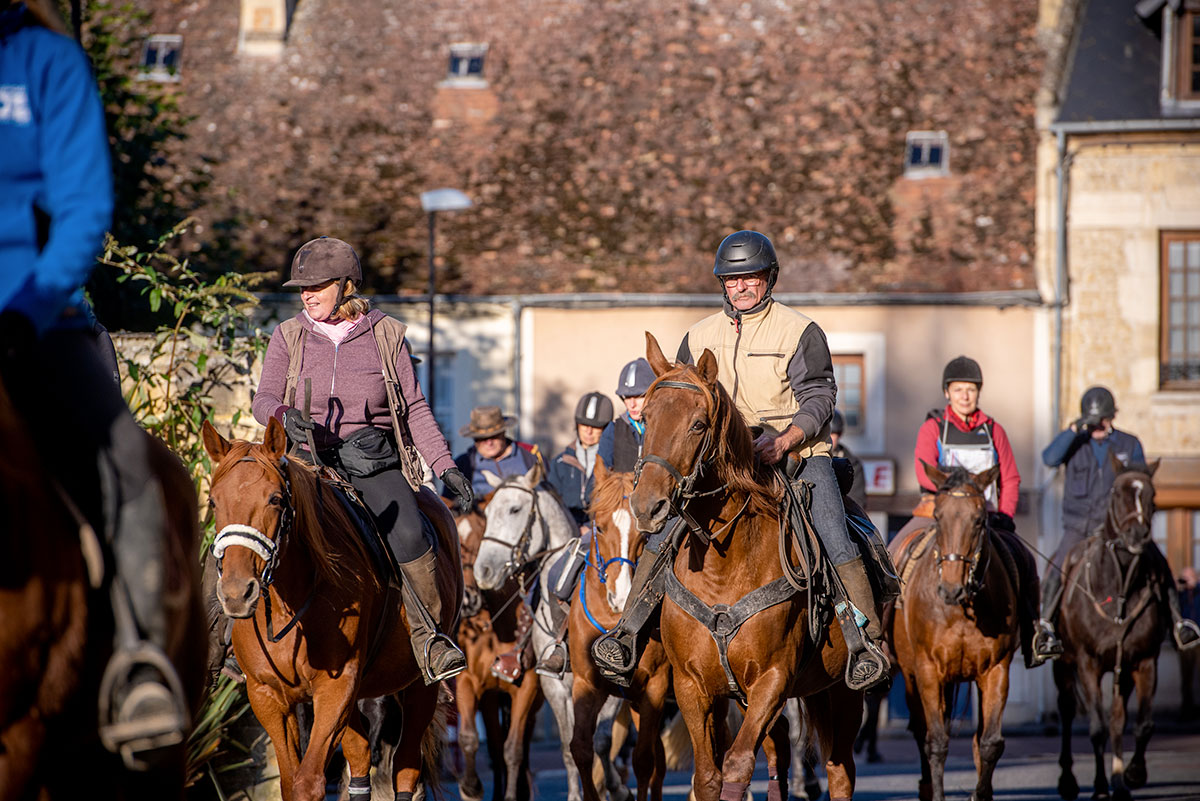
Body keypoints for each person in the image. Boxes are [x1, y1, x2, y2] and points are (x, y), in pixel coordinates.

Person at [0, 0, 190, 766]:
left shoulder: (47, 63)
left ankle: (138, 664)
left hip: (33, 317)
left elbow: (84, 210)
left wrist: (28, 310)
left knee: (132, 467)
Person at [591, 230, 890, 691]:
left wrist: (788, 438)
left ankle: (864, 640)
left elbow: (819, 394)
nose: (742, 287)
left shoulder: (799, 330)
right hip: (722, 460)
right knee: (664, 530)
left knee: (833, 529)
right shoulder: (699, 335)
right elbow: (683, 396)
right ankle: (628, 634)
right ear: (723, 285)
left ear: (769, 278)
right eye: (732, 280)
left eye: (751, 277)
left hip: (794, 453)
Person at [252, 236, 474, 684]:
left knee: (411, 533)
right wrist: (284, 415)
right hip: (304, 460)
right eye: (301, 288)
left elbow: (413, 407)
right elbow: (265, 398)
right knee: (250, 521)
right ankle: (231, 640)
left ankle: (429, 640)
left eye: (316, 286)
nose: (306, 295)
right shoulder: (289, 334)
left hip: (371, 459)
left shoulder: (387, 334)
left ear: (346, 285)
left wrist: (445, 465)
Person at [891, 356, 1054, 665]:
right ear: (947, 394)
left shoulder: (994, 431)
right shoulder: (933, 427)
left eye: (970, 390)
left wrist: (1005, 514)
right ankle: (881, 637)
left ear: (978, 394)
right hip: (934, 514)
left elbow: (1011, 477)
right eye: (958, 390)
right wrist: (958, 489)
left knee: (1025, 559)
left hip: (985, 518)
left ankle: (1034, 633)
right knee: (894, 552)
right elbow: (924, 471)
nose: (964, 396)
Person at [1039, 386, 1200, 653]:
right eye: (1094, 420)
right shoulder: (1076, 443)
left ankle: (1179, 623)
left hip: (1118, 529)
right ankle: (1045, 628)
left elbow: (1140, 483)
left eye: (1104, 419)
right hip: (1079, 526)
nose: (1099, 425)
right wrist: (1074, 429)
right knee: (1057, 567)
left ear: (1112, 417)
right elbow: (1049, 458)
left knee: (1158, 562)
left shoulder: (1129, 444)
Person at [547, 391, 614, 528]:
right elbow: (551, 504)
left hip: (601, 530)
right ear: (577, 425)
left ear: (606, 428)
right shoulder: (559, 463)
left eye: (596, 427)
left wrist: (590, 527)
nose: (588, 431)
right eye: (584, 425)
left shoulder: (613, 464)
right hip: (565, 530)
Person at [449, 405, 542, 501]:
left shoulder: (530, 456)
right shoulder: (462, 465)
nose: (489, 442)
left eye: (494, 436)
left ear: (504, 432)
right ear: (474, 439)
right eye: (482, 438)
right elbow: (449, 505)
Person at [597, 357, 655, 472]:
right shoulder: (612, 430)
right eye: (627, 397)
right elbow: (602, 475)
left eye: (639, 396)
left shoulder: (663, 430)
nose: (631, 404)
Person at [830, 409, 868, 510]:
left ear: (840, 434)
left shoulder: (853, 465)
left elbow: (856, 502)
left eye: (832, 433)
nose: (828, 438)